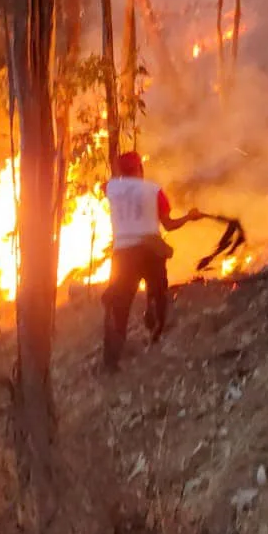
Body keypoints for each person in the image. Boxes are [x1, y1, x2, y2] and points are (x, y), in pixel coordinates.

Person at [102, 150, 200, 370]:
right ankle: (155, 332)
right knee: (158, 292)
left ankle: (111, 362)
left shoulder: (111, 188)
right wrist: (190, 217)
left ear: (119, 171)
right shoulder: (154, 191)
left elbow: (103, 188)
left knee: (119, 306)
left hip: (123, 254)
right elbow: (169, 225)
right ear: (140, 169)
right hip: (150, 251)